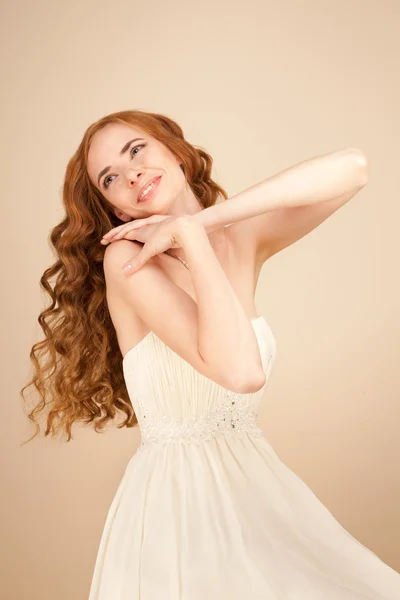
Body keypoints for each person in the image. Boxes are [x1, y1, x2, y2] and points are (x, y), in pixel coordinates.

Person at [21, 109, 400, 599]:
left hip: (258, 489)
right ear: (117, 211)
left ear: (176, 153)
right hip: (177, 509)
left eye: (136, 150)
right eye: (110, 178)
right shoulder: (128, 260)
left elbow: (353, 167)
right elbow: (241, 372)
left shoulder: (242, 237)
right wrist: (193, 240)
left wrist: (203, 221)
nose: (131, 173)